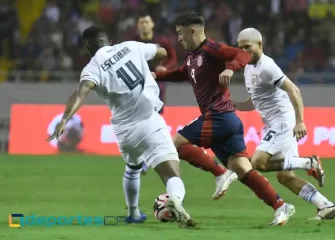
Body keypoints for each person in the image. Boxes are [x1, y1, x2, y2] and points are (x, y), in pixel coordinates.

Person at [153, 12, 295, 225]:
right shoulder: (192, 57)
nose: (179, 38)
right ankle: (281, 206)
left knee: (175, 145)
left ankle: (220, 173)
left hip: (218, 116)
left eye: (181, 34)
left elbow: (242, 55)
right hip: (228, 121)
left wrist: (229, 69)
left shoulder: (211, 48)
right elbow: (184, 73)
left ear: (192, 31)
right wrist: (159, 76)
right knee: (242, 168)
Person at [47, 26, 195, 228]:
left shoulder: (93, 68)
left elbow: (80, 94)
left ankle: (133, 213)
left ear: (88, 48)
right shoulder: (131, 47)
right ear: (107, 39)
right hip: (149, 121)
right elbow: (162, 51)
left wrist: (64, 119)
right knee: (171, 174)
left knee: (133, 168)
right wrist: (157, 60)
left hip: (124, 131)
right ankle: (175, 199)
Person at [234, 28, 335, 220]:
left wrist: (299, 122)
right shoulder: (249, 68)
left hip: (282, 121)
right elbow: (255, 100)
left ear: (260, 45)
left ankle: (309, 162)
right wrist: (233, 105)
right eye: (240, 48)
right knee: (285, 177)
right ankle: (326, 206)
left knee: (258, 161)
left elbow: (293, 89)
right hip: (272, 123)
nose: (244, 52)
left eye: (247, 47)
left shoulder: (267, 67)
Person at [130, 13, 178, 174]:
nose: (144, 25)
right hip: (137, 85)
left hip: (157, 85)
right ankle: (150, 155)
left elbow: (173, 57)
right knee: (142, 120)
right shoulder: (132, 42)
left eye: (146, 22)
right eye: (141, 22)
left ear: (152, 25)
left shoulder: (162, 41)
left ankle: (146, 157)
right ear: (138, 25)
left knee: (151, 118)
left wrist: (165, 67)